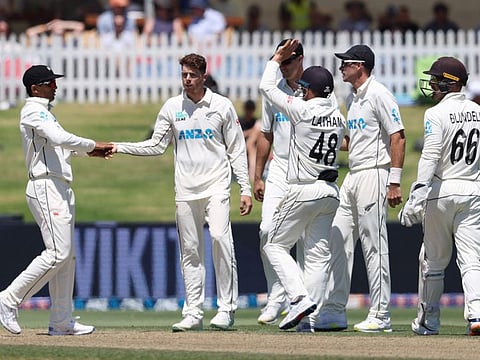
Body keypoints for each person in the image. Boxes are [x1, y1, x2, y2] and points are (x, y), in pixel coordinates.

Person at [111, 53, 252, 332]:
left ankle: (226, 308)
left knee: (221, 240)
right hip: (186, 190)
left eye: (192, 75)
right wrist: (120, 146)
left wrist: (245, 188)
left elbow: (237, 149)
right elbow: (156, 145)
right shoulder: (172, 107)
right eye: (184, 75)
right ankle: (193, 312)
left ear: (203, 76)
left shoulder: (221, 106)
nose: (187, 80)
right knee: (190, 251)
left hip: (217, 186)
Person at [0, 65, 112, 336]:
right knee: (57, 254)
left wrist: (88, 154)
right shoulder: (33, 110)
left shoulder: (46, 113)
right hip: (45, 186)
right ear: (35, 88)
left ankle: (61, 321)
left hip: (59, 187)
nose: (55, 87)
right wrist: (92, 144)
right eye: (50, 83)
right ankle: (8, 300)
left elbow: (57, 147)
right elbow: (61, 138)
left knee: (67, 257)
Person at [259, 38, 346, 331]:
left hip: (303, 189)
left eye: (303, 88)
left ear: (308, 90)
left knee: (273, 244)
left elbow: (267, 89)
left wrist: (275, 60)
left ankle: (297, 299)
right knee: (317, 255)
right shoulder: (338, 118)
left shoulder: (301, 110)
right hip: (330, 192)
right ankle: (308, 320)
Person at [319, 44, 405, 332]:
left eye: (346, 63)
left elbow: (398, 137)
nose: (341, 68)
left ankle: (381, 315)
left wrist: (394, 180)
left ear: (361, 66)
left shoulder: (379, 94)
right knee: (338, 237)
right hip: (354, 175)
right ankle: (334, 311)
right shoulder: (350, 96)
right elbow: (351, 141)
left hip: (376, 174)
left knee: (374, 245)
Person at [399, 57, 480, 336]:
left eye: (435, 80)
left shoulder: (435, 113)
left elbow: (430, 155)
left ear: (449, 83)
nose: (431, 85)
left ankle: (428, 322)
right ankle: (477, 314)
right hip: (473, 191)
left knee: (432, 261)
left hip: (441, 191)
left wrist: (416, 196)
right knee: (471, 259)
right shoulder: (478, 111)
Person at [254, 39, 305, 326]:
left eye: (288, 61)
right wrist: (258, 175)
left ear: (300, 59)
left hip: (307, 171)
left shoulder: (318, 86)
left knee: (302, 239)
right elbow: (266, 134)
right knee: (266, 231)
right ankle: (277, 295)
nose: (283, 67)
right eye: (280, 62)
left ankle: (299, 297)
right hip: (279, 167)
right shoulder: (273, 92)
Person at [239, 99, 261, 182]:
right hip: (241, 145)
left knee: (251, 146)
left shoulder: (254, 121)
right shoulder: (241, 121)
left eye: (251, 109)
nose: (249, 112)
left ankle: (252, 175)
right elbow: (239, 135)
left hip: (252, 146)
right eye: (248, 109)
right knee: (256, 129)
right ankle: (252, 176)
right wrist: (252, 131)